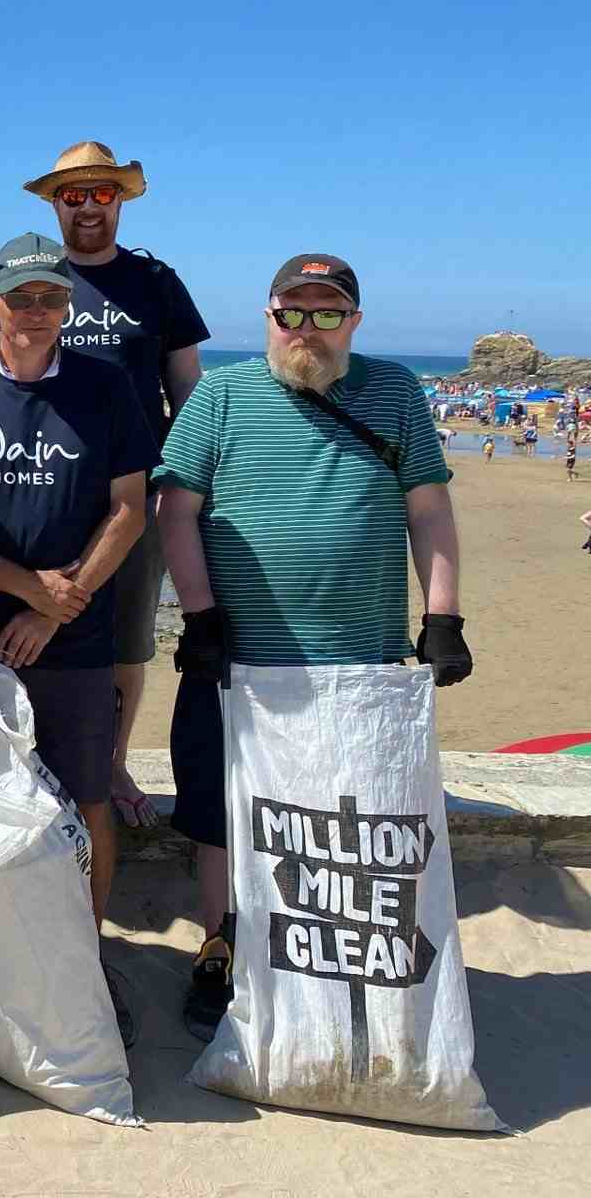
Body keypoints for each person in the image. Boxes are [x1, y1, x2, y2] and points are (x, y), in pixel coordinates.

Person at [156, 253, 470, 1043]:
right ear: (268, 317)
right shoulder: (222, 394)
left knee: (344, 823)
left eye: (327, 314)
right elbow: (175, 511)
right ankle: (221, 950)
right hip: (237, 661)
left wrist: (444, 619)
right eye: (293, 312)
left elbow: (428, 511)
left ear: (354, 322)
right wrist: (200, 618)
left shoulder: (394, 390)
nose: (308, 329)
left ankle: (334, 965)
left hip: (359, 663)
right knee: (222, 819)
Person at [0, 232, 155, 1046]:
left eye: (53, 296)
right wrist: (25, 589)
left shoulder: (109, 388)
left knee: (85, 795)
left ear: (68, 305)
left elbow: (130, 507)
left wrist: (56, 606)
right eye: (23, 297)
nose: (38, 310)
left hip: (74, 639)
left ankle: (82, 957)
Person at [21, 141, 209, 832]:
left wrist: (183, 481)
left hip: (138, 492)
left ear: (122, 200)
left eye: (103, 194)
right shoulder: (30, 278)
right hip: (39, 485)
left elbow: (187, 387)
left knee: (127, 639)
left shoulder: (156, 283)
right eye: (75, 195)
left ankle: (114, 759)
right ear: (55, 203)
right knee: (35, 622)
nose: (89, 207)